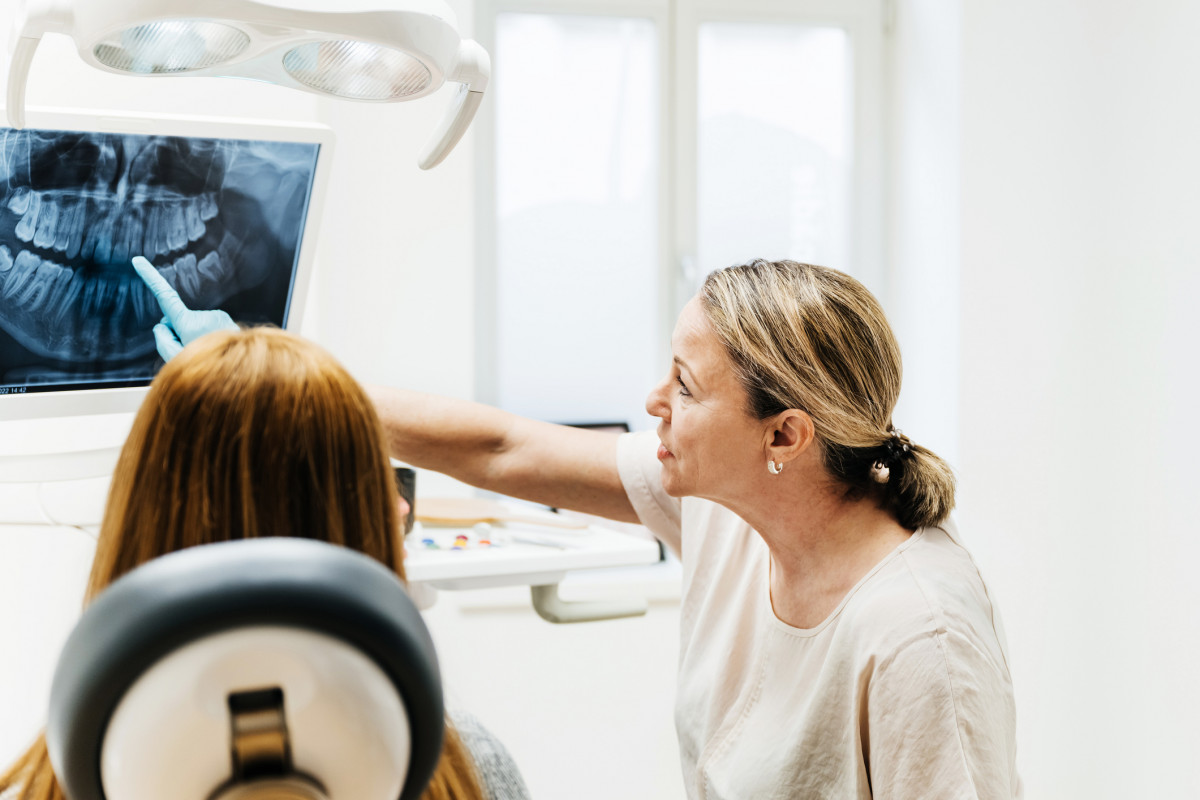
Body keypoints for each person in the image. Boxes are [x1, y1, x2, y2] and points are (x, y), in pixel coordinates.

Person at [128, 256, 1020, 798]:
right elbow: (503, 447)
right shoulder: (727, 509)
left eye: (687, 385)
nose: (653, 402)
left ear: (784, 435)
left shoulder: (915, 637)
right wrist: (277, 369)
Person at [0, 326, 530, 800]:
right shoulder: (472, 772)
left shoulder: (39, 785)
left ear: (141, 507)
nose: (402, 505)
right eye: (376, 480)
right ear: (355, 511)